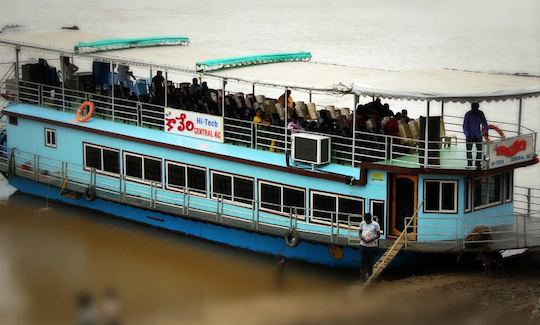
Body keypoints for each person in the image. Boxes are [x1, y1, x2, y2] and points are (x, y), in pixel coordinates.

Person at [463, 102, 488, 168]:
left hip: (478, 134)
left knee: (479, 149)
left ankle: (478, 163)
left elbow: (484, 122)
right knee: (469, 149)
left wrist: (486, 131)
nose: (475, 108)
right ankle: (469, 163)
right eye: (474, 107)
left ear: (478, 107)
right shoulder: (468, 114)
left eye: (476, 107)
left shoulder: (480, 113)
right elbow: (465, 125)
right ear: (471, 107)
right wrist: (467, 134)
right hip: (470, 134)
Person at [359, 213, 381, 281]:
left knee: (370, 261)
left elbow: (378, 235)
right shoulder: (362, 223)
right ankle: (362, 278)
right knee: (363, 261)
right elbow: (359, 232)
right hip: (363, 245)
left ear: (370, 218)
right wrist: (361, 237)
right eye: (365, 219)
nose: (366, 221)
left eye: (367, 219)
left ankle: (370, 274)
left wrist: (372, 239)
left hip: (371, 246)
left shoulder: (375, 225)